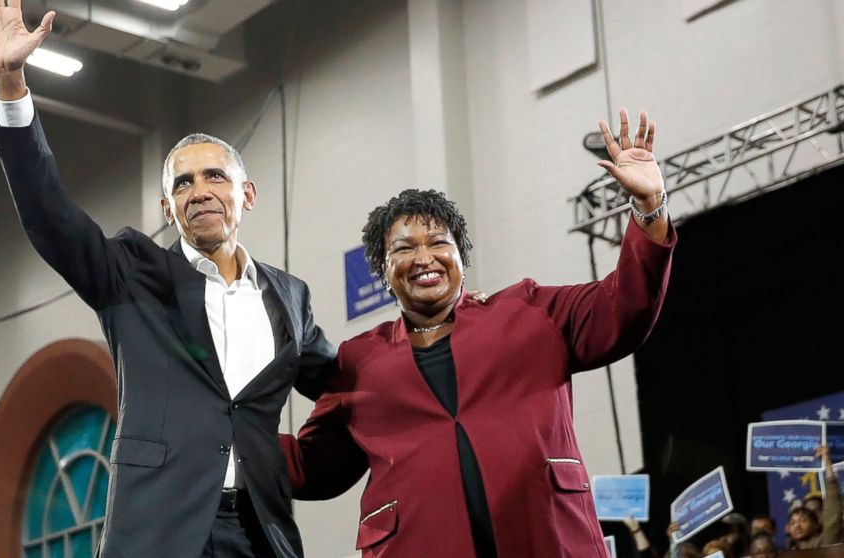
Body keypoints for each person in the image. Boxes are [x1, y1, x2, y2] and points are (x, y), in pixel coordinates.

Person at [0, 1, 336, 556]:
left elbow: (348, 383)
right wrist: (11, 83)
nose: (199, 190)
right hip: (157, 534)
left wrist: (442, 325)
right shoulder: (131, 273)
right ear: (167, 207)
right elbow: (50, 215)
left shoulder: (290, 297)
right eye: (182, 184)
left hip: (260, 535)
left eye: (214, 177)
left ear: (246, 195)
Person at [282, 110, 675, 557]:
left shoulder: (529, 309)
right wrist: (212, 437)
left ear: (461, 257)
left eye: (439, 243)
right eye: (404, 249)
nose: (424, 257)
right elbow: (312, 467)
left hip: (550, 540)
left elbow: (624, 307)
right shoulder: (358, 361)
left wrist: (650, 207)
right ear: (383, 272)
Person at [787, 445, 842, 550]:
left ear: (816, 525)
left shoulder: (826, 542)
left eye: (802, 520)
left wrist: (827, 463)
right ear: (788, 529)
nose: (797, 526)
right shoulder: (784, 552)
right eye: (792, 522)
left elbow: (833, 512)